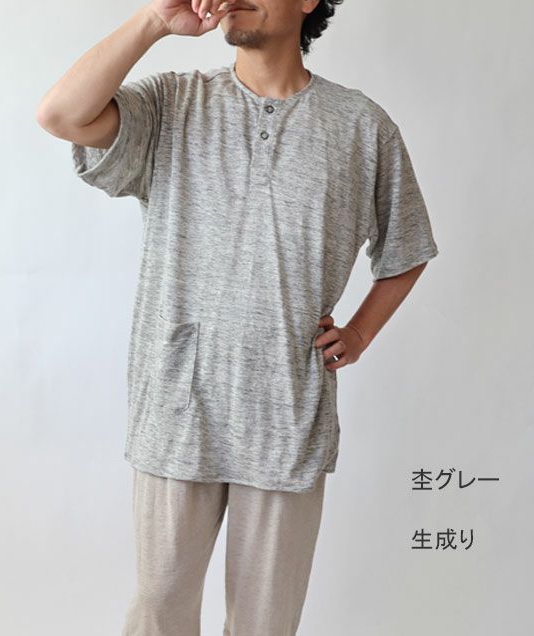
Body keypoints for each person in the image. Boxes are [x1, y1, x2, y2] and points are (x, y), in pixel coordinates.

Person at [36, 1, 439, 633]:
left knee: (265, 622)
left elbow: (407, 249)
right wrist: (155, 22)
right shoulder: (172, 104)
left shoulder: (361, 126)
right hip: (178, 406)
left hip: (287, 412)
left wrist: (360, 332)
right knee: (159, 609)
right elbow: (60, 115)